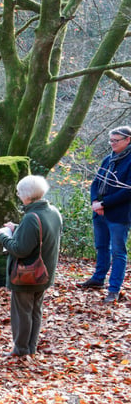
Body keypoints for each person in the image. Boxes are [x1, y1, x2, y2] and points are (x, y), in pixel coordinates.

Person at [0, 175, 62, 357]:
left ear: (27, 196)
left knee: (22, 313)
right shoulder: (53, 212)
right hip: (44, 273)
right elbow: (41, 234)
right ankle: (30, 348)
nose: (17, 195)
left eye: (19, 193)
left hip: (27, 275)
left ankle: (21, 349)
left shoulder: (31, 217)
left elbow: (20, 249)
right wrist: (17, 227)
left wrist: (2, 236)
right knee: (35, 310)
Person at [79, 126, 131, 303]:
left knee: (118, 252)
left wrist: (104, 203)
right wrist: (95, 202)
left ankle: (114, 289)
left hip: (119, 215)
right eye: (111, 140)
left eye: (116, 140)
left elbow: (128, 191)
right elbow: (96, 183)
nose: (112, 144)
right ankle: (98, 279)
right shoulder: (108, 159)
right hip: (100, 212)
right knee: (101, 246)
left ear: (128, 140)